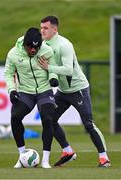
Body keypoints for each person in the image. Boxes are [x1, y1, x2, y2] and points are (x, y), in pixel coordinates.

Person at [38, 15, 111, 167]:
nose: (42, 30)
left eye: (45, 28)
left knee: (88, 124)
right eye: (41, 27)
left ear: (54, 29)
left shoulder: (64, 45)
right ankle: (67, 151)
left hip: (78, 90)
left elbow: (68, 69)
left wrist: (48, 68)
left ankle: (104, 158)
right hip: (63, 92)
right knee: (49, 120)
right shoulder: (43, 45)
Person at [4, 27, 59, 169]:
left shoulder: (47, 50)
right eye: (30, 47)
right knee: (15, 117)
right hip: (25, 92)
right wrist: (12, 90)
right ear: (24, 45)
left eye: (37, 47)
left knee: (47, 119)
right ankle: (22, 156)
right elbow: (8, 73)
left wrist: (53, 78)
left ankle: (45, 160)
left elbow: (52, 67)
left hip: (44, 90)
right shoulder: (13, 54)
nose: (34, 50)